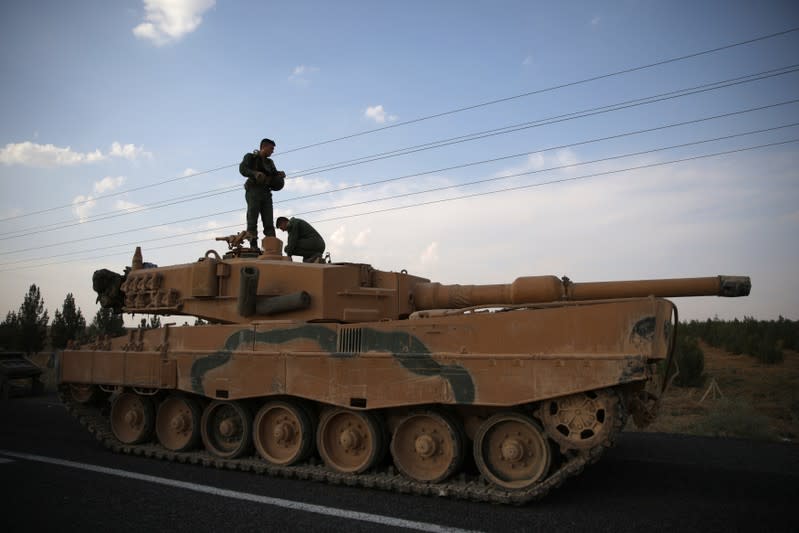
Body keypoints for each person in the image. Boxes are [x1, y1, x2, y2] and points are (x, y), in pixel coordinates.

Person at [239, 138, 286, 248]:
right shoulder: (251, 157)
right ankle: (253, 245)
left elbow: (274, 174)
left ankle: (271, 246)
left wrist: (279, 174)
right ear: (264, 147)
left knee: (269, 221)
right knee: (252, 218)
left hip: (266, 192)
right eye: (271, 148)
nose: (273, 151)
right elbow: (243, 169)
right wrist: (255, 174)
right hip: (254, 190)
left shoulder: (269, 162)